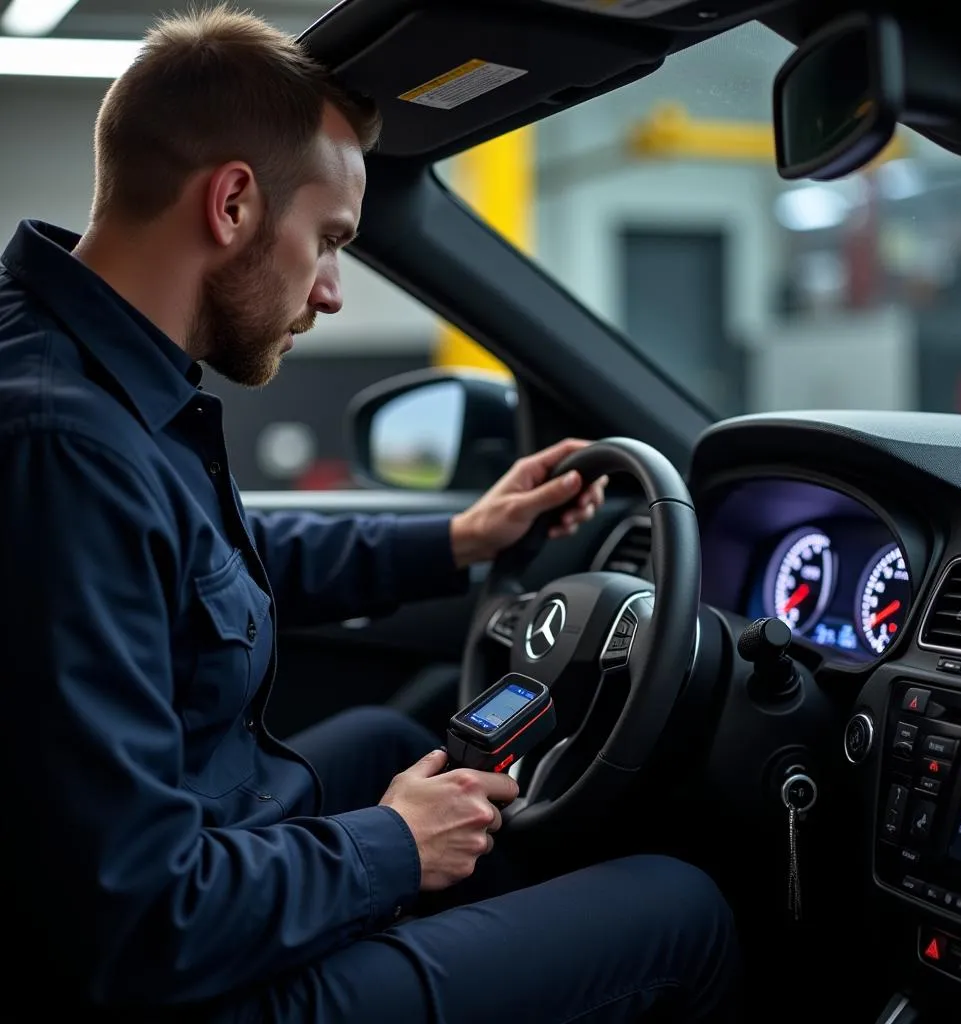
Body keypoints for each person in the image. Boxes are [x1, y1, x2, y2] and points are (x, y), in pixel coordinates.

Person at [0, 6, 739, 1022]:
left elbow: (206, 555)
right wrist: (393, 845)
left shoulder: (77, 365)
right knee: (678, 906)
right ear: (232, 204)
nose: (334, 291)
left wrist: (459, 540)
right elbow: (133, 918)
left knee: (396, 738)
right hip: (154, 976)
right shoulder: (60, 447)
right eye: (331, 240)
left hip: (171, 875)